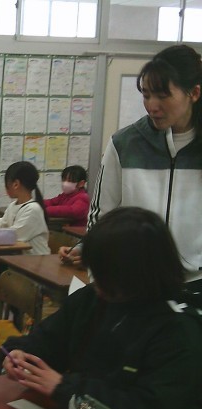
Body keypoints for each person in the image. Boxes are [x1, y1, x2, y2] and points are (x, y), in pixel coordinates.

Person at [2, 207, 202, 409]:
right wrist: (18, 354)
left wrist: (63, 387)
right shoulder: (94, 299)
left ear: (134, 273)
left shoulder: (179, 330)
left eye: (104, 272)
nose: (95, 279)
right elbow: (47, 341)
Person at [60, 44, 202, 283]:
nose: (152, 105)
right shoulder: (125, 144)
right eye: (146, 95)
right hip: (134, 284)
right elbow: (101, 217)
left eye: (162, 95)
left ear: (194, 93)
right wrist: (94, 260)